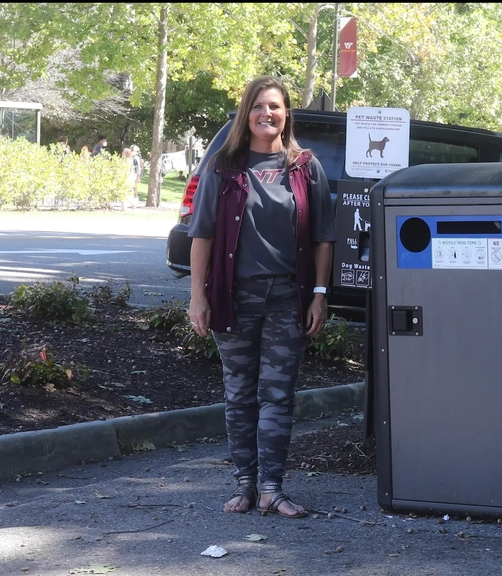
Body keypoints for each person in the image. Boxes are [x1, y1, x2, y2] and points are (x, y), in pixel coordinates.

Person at [187, 75, 336, 518]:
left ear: (286, 113)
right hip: (234, 298)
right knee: (239, 394)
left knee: (278, 394)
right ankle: (244, 485)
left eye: (274, 106)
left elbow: (323, 238)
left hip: (288, 298)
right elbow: (202, 236)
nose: (265, 114)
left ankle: (272, 488)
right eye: (257, 106)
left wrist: (319, 295)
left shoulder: (306, 167)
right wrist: (198, 296)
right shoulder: (223, 167)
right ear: (245, 113)